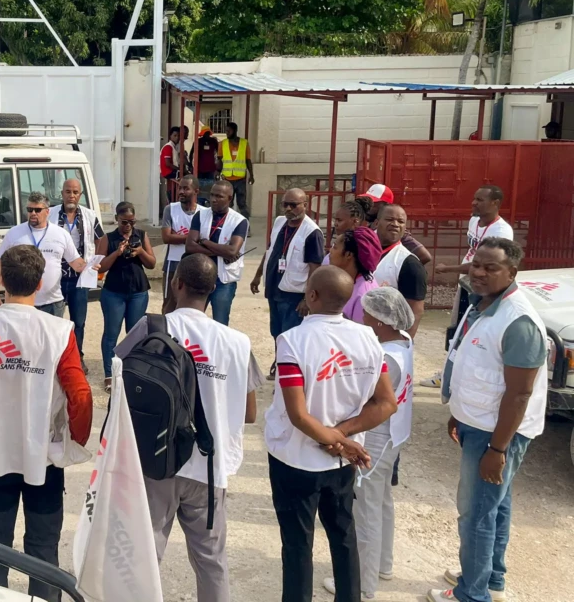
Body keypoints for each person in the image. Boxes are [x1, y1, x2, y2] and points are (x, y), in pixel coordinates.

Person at [0, 245, 92, 602]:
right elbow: (81, 395)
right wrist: (72, 443)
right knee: (43, 550)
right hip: (43, 456)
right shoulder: (58, 330)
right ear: (40, 282)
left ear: (3, 281)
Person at [116, 254, 258, 602]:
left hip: (156, 462)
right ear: (213, 289)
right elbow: (250, 413)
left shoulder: (152, 328)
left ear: (176, 283)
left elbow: (122, 378)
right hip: (209, 470)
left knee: (144, 556)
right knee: (211, 561)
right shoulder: (238, 343)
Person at [265, 266, 398, 602]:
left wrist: (333, 438)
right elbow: (386, 403)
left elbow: (297, 414)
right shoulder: (368, 338)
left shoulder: (292, 341)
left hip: (295, 459)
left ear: (311, 296)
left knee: (297, 543)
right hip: (344, 462)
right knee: (343, 535)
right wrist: (343, 436)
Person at [427, 238, 548, 602]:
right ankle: (490, 578)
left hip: (495, 434)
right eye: (476, 264)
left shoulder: (518, 322)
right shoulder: (483, 305)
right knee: (496, 505)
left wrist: (497, 448)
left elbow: (519, 394)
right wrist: (457, 412)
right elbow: (471, 364)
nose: (478, 272)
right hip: (476, 424)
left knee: (477, 514)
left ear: (512, 273)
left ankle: (471, 593)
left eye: (490, 267)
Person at [322, 287, 414, 600]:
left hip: (377, 437)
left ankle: (362, 582)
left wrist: (342, 430)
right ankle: (382, 564)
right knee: (382, 501)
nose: (361, 317)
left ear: (379, 321)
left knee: (365, 510)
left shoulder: (386, 357)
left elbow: (371, 403)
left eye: (366, 314)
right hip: (394, 434)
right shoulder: (403, 342)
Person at [425, 186, 513, 389]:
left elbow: (485, 264)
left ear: (495, 203)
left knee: (475, 330)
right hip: (467, 282)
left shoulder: (501, 231)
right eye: (474, 198)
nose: (474, 203)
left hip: (484, 287)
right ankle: (450, 370)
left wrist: (449, 268)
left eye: (480, 200)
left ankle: (462, 374)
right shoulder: (474, 221)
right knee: (458, 327)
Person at [250, 188, 324, 377]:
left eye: (294, 205)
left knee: (290, 335)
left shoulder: (312, 232)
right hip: (274, 287)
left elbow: (315, 268)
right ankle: (280, 362)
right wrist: (258, 274)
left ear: (305, 205)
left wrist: (307, 299)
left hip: (294, 293)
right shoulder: (279, 222)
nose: (289, 209)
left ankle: (289, 371)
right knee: (276, 331)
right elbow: (270, 250)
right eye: (285, 204)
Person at [0, 192, 86, 316]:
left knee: (52, 336)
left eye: (37, 210)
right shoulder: (14, 233)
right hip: (21, 303)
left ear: (47, 212)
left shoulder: (61, 234)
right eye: (30, 210)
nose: (33, 213)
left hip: (52, 303)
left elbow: (75, 262)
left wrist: (90, 267)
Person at [48, 178, 106, 371]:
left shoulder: (89, 215)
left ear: (80, 195)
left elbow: (102, 239)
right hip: (55, 278)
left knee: (78, 322)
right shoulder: (51, 214)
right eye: (68, 191)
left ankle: (77, 358)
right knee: (55, 321)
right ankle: (56, 359)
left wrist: (98, 261)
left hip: (79, 278)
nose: (71, 195)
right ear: (62, 193)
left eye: (75, 192)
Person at [97, 202, 156, 391]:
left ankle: (133, 372)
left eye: (132, 221)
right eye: (124, 222)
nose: (128, 225)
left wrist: (140, 252)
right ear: (116, 219)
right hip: (114, 292)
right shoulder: (108, 238)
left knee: (135, 334)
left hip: (138, 291)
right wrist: (117, 252)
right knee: (111, 334)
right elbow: (101, 267)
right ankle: (109, 375)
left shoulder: (142, 236)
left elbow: (152, 264)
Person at [186, 180, 248, 325]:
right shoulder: (200, 215)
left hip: (223, 280)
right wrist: (222, 250)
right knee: (192, 319)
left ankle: (217, 348)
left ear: (230, 198)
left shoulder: (240, 221)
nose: (213, 199)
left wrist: (205, 242)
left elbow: (232, 251)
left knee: (220, 322)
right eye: (212, 195)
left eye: (219, 196)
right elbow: (189, 247)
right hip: (201, 276)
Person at [373, 204, 427, 337]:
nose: (395, 224)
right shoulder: (357, 248)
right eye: (390, 219)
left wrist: (402, 344)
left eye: (401, 221)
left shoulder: (409, 264)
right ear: (376, 222)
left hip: (384, 337)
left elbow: (415, 310)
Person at [356, 186, 433, 265]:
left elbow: (424, 256)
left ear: (386, 206)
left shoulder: (394, 232)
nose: (369, 208)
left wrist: (398, 270)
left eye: (374, 205)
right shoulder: (370, 227)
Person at [161, 176, 202, 314]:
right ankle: (166, 334)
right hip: (173, 263)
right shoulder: (170, 209)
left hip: (195, 264)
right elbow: (166, 237)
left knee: (192, 306)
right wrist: (193, 238)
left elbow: (206, 239)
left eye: (186, 188)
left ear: (196, 191)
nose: (181, 192)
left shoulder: (204, 213)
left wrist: (177, 236)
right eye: (180, 188)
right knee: (169, 305)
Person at [327, 226, 381, 323]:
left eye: (335, 247)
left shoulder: (363, 296)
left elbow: (358, 334)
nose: (330, 251)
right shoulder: (348, 281)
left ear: (348, 255)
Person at [218, 121, 254, 217]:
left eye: (229, 131)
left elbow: (248, 160)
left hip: (240, 179)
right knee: (227, 203)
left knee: (242, 204)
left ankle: (245, 224)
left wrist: (251, 175)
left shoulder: (244, 143)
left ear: (235, 130)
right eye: (226, 131)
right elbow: (220, 160)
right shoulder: (222, 144)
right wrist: (217, 172)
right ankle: (227, 223)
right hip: (227, 179)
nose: (227, 133)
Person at [196, 128, 220, 199]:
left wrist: (218, 167)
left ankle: (209, 200)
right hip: (200, 168)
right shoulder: (198, 141)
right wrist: (192, 166)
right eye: (205, 133)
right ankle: (200, 201)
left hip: (211, 168)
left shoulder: (213, 141)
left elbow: (219, 153)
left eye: (208, 133)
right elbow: (192, 153)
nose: (207, 135)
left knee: (211, 187)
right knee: (199, 187)